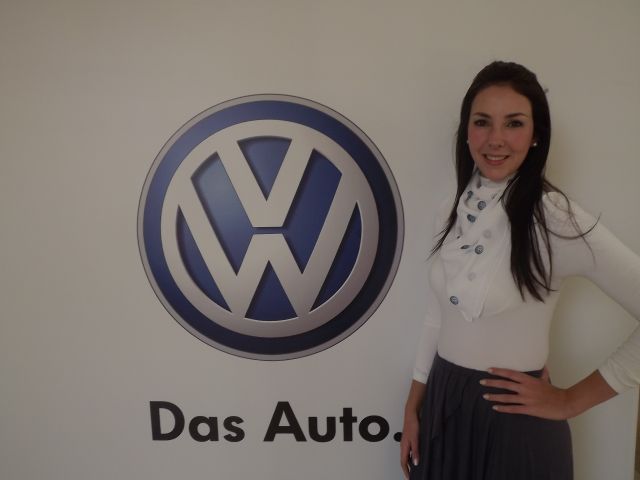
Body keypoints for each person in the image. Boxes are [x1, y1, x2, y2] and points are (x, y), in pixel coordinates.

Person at [400, 61, 640, 480]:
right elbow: (439, 314)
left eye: (514, 123)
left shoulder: (556, 219)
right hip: (443, 406)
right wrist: (413, 405)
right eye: (482, 122)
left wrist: (569, 401)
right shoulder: (450, 209)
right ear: (466, 131)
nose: (495, 139)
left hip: (516, 423)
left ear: (535, 135)